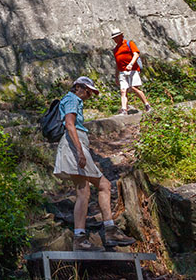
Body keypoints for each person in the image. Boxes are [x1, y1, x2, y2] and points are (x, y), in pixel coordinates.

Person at [53, 76, 136, 251]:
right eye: (89, 92)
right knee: (98, 187)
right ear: (79, 87)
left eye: (91, 93)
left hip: (75, 145)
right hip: (74, 145)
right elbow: (69, 124)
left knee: (87, 190)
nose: (89, 95)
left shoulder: (73, 100)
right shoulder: (71, 99)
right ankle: (97, 233)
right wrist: (80, 151)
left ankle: (90, 235)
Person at [111, 28, 151, 115]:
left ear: (121, 36)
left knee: (134, 88)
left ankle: (147, 105)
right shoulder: (115, 50)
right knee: (123, 90)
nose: (116, 39)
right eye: (114, 38)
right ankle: (124, 109)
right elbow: (117, 63)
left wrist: (131, 64)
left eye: (117, 37)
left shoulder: (129, 43)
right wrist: (116, 76)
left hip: (132, 70)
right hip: (122, 72)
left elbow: (136, 54)